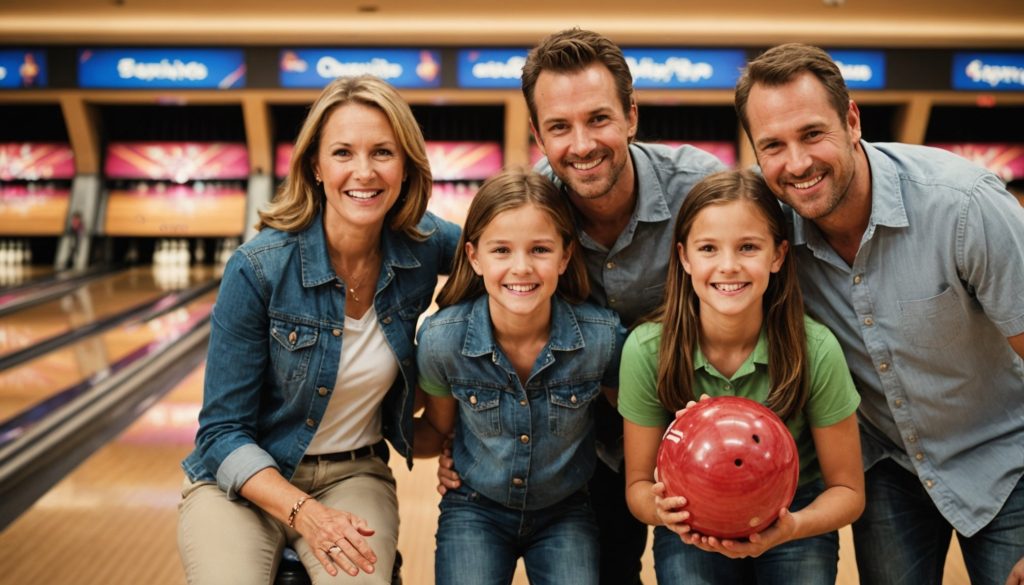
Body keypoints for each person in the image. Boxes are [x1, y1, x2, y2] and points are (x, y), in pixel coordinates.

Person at [437, 28, 727, 584]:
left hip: (696, 433)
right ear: (537, 136)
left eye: (598, 119)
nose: (582, 143)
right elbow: (477, 318)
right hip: (581, 453)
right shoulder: (528, 214)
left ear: (632, 116)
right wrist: (466, 442)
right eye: (559, 127)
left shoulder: (703, 192)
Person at [735, 43, 1024, 585]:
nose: (796, 163)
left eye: (812, 134)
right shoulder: (769, 234)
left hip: (1007, 460)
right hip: (888, 465)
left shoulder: (964, 206)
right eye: (773, 145)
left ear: (851, 120)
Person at [177, 74, 460, 584]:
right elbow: (220, 433)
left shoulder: (422, 244)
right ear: (315, 165)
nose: (364, 171)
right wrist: (305, 512)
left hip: (354, 474)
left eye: (383, 152)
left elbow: (509, 250)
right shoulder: (258, 268)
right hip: (241, 485)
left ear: (406, 165)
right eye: (343, 153)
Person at [618, 168, 864, 584]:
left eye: (748, 246)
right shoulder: (647, 349)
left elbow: (849, 492)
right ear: (684, 257)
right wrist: (663, 511)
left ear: (778, 255)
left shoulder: (814, 348)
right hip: (688, 518)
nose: (728, 266)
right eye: (709, 248)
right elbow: (638, 487)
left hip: (794, 512)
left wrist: (793, 526)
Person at [414, 168, 626, 585]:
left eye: (540, 250)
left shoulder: (603, 339)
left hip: (567, 509)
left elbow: (630, 422)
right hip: (474, 506)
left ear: (565, 256)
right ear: (474, 257)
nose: (521, 268)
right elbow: (440, 428)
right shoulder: (442, 341)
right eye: (502, 251)